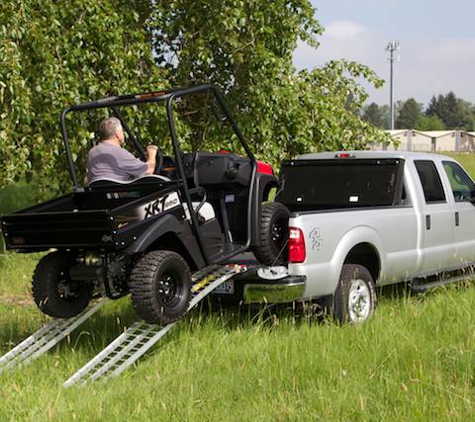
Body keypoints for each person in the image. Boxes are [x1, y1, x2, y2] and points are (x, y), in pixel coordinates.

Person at [87, 117, 158, 183]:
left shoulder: (92, 152)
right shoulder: (119, 153)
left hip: (99, 193)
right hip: (122, 193)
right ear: (117, 133)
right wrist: (152, 153)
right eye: (122, 130)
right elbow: (148, 171)